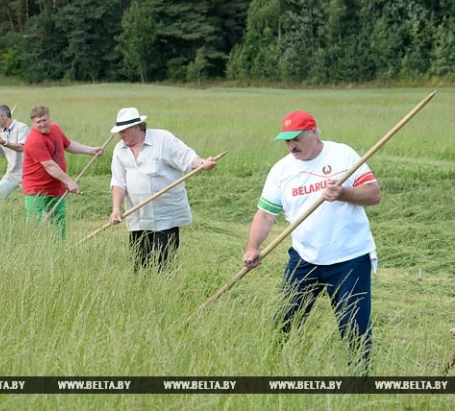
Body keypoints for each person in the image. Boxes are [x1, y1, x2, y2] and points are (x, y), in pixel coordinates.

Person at [241, 110, 381, 371]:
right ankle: (273, 369)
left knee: (354, 328)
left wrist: (343, 193)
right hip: (305, 257)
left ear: (314, 132)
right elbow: (265, 214)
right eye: (286, 140)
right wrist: (252, 248)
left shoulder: (343, 155)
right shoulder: (281, 170)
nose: (291, 145)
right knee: (285, 319)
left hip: (349, 257)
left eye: (296, 137)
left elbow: (374, 194)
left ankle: (360, 380)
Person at [108, 107, 217, 271]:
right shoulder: (119, 149)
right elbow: (118, 181)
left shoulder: (163, 139)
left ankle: (164, 290)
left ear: (136, 127)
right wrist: (116, 209)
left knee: (164, 262)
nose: (120, 135)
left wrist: (202, 163)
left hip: (165, 214)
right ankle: (142, 289)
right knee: (139, 262)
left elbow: (187, 157)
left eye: (123, 131)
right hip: (137, 214)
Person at [22, 105, 103, 239]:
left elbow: (69, 145)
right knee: (35, 225)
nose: (42, 124)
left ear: (49, 118)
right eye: (38, 122)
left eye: (44, 120)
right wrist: (69, 182)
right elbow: (50, 166)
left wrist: (91, 150)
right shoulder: (33, 141)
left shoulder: (56, 129)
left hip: (56, 187)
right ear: (33, 123)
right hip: (36, 189)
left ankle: (59, 250)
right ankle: (33, 252)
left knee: (59, 224)